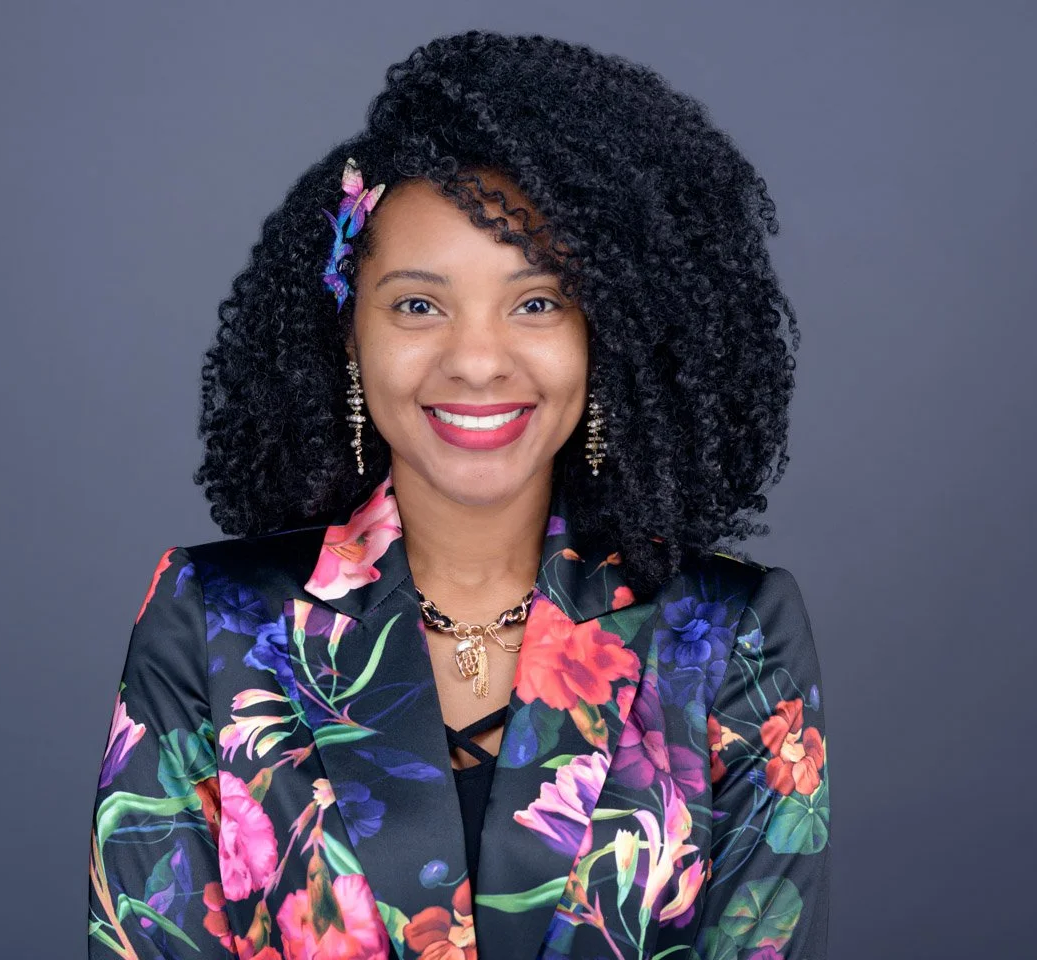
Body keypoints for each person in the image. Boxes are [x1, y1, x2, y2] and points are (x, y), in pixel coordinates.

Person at [86, 28, 830, 960]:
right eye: (418, 304)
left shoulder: (730, 636)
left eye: (537, 302)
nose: (478, 361)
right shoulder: (211, 622)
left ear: (610, 336)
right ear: (348, 336)